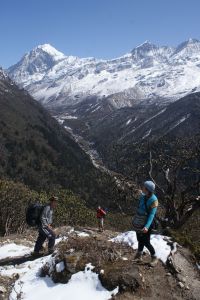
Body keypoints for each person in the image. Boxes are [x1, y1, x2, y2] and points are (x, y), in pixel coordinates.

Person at [134, 181, 159, 266]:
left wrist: (147, 227)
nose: (142, 187)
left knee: (146, 242)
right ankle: (139, 255)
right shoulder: (143, 196)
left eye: (144, 187)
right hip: (139, 221)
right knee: (139, 239)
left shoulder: (154, 200)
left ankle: (154, 257)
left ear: (147, 189)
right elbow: (140, 206)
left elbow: (151, 215)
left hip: (147, 224)